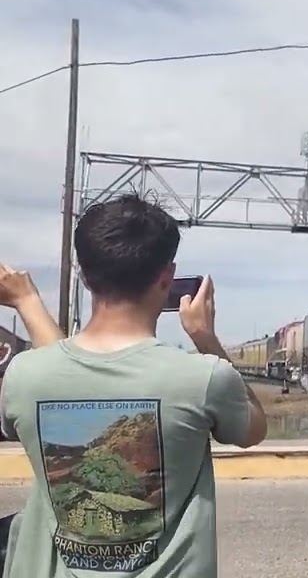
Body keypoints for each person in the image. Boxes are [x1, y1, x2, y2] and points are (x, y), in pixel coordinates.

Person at [0, 194, 268, 577]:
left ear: (84, 274)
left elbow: (63, 373)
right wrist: (205, 337)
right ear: (166, 277)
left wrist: (28, 301)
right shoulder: (205, 378)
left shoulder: (23, 377)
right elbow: (253, 429)